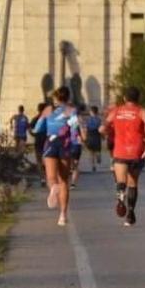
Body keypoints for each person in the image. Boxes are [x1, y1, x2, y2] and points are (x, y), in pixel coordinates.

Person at [103, 86, 145, 227]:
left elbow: (103, 127)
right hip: (137, 151)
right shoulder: (141, 111)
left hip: (120, 151)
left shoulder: (116, 111)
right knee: (133, 183)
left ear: (124, 98)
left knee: (121, 180)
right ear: (138, 98)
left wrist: (109, 131)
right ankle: (130, 214)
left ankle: (120, 194)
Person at [40, 87, 84, 226]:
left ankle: (53, 188)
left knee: (52, 178)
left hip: (50, 143)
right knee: (64, 180)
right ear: (68, 97)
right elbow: (75, 129)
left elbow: (37, 128)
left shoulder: (48, 110)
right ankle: (63, 215)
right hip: (65, 145)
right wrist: (76, 142)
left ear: (55, 98)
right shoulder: (71, 111)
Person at [30, 100, 51, 165]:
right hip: (46, 138)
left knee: (39, 153)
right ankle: (44, 167)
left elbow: (30, 127)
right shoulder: (49, 117)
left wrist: (33, 134)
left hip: (39, 138)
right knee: (46, 153)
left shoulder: (36, 118)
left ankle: (40, 167)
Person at [84, 105, 104, 172]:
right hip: (97, 136)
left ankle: (93, 166)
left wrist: (85, 137)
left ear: (90, 112)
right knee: (98, 151)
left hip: (90, 136)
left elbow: (86, 129)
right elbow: (101, 129)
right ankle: (98, 158)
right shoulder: (99, 120)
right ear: (97, 112)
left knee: (91, 153)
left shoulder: (87, 120)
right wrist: (103, 136)